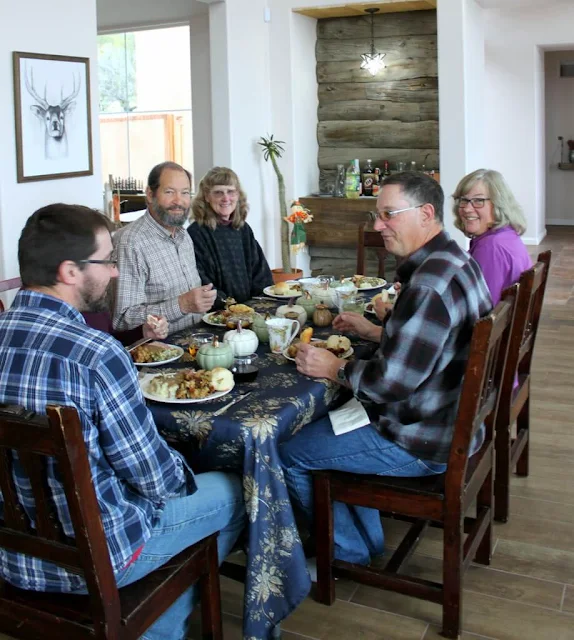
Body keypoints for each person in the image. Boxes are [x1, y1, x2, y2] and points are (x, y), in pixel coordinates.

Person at [0, 204, 245, 640]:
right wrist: (191, 469)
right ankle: (156, 629)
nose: (114, 273)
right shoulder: (95, 354)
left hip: (10, 555)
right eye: (107, 261)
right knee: (236, 488)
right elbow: (154, 479)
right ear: (69, 271)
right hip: (96, 556)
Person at [279, 172, 492, 569]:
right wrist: (377, 331)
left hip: (423, 439)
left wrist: (335, 366)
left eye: (388, 214)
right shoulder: (455, 259)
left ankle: (347, 552)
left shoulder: (429, 285)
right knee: (326, 423)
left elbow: (389, 384)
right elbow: (437, 347)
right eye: (378, 215)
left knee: (290, 452)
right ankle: (367, 541)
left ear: (426, 214)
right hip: (448, 419)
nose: (378, 226)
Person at [113, 161, 217, 333]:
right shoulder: (130, 243)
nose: (179, 201)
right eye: (169, 192)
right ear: (150, 194)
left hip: (197, 340)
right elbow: (123, 319)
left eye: (185, 193)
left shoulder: (184, 235)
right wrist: (182, 305)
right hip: (160, 351)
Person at [189, 166, 273, 303]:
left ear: (238, 195)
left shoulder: (243, 229)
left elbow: (261, 273)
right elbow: (201, 280)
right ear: (206, 196)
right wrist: (229, 306)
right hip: (217, 315)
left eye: (231, 192)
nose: (226, 198)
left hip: (250, 311)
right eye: (218, 193)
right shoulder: (196, 233)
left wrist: (260, 304)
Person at [452, 168, 532, 305]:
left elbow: (480, 307)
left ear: (498, 204)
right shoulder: (507, 235)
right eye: (463, 200)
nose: (466, 209)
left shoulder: (490, 247)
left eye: (478, 200)